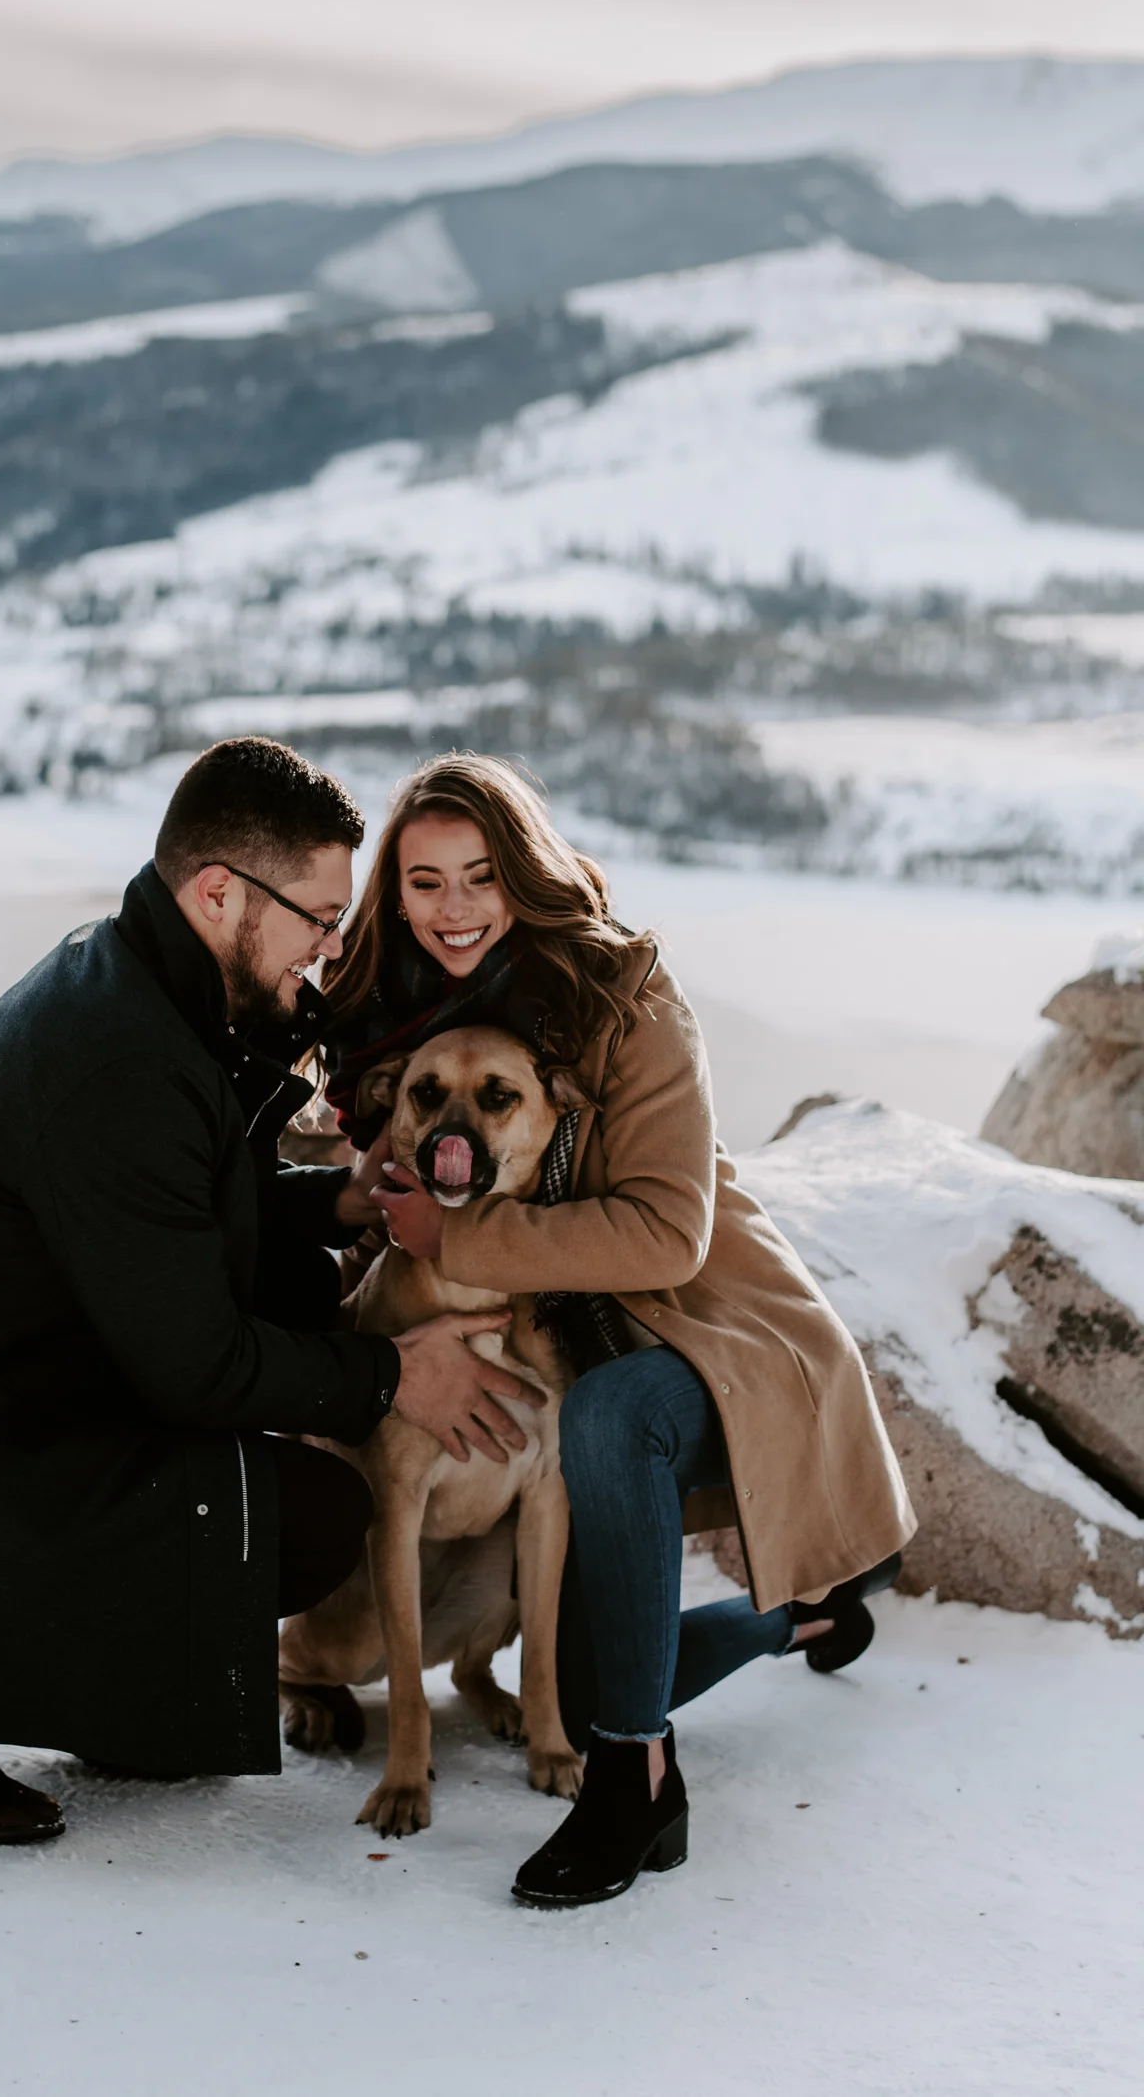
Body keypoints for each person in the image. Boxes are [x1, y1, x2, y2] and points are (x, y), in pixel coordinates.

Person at [0, 736, 538, 1845]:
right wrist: (393, 1375)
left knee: (274, 1463)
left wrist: (328, 1205)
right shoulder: (119, 1059)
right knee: (292, 1512)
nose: (330, 954)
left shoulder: (148, 986)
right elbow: (196, 1364)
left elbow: (164, 1213)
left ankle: (93, 1693)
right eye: (317, 920)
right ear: (217, 891)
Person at [322, 752, 915, 1909]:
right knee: (602, 1667)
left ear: (525, 876)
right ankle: (801, 1614)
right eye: (424, 881)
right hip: (573, 1368)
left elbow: (666, 1239)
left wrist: (452, 1244)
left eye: (481, 877)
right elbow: (388, 1192)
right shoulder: (406, 1020)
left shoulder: (627, 998)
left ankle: (635, 1789)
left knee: (607, 1431)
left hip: (703, 1342)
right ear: (393, 894)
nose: (453, 910)